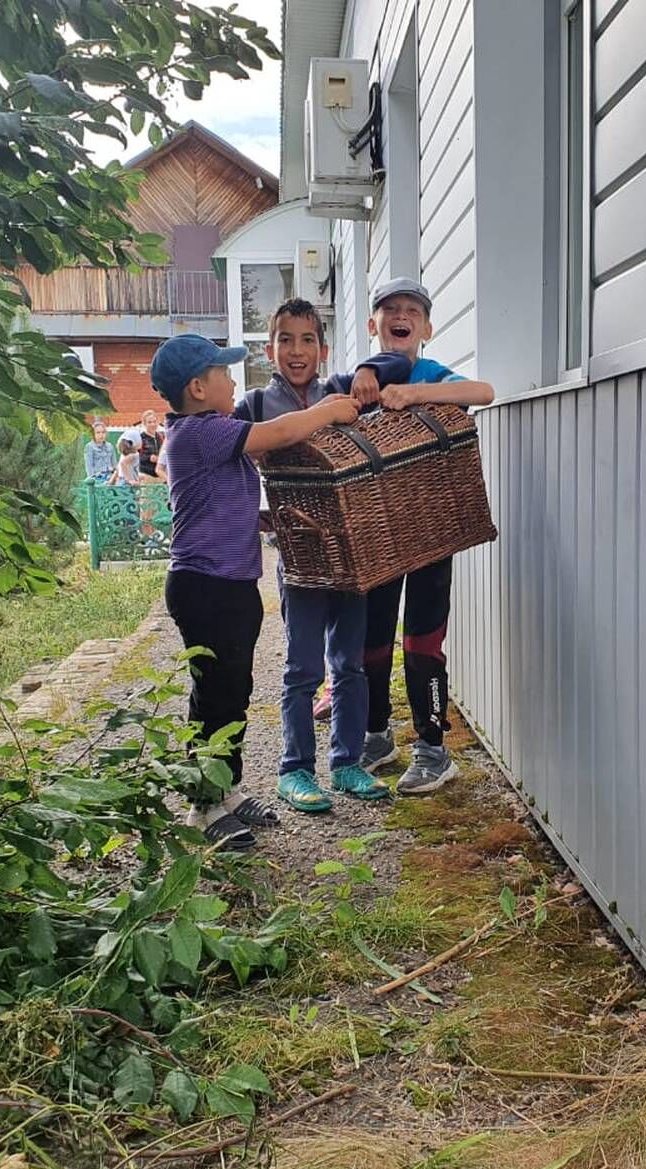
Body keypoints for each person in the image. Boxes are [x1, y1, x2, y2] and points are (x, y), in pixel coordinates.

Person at [153, 332, 361, 849]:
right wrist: (330, 409)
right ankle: (203, 807)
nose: (232, 380)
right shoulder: (203, 432)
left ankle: (227, 791)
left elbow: (226, 504)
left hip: (230, 584)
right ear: (199, 388)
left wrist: (270, 518)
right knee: (215, 698)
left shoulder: (207, 432)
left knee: (235, 692)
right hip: (206, 587)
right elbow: (283, 430)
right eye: (224, 373)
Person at [233, 298, 411, 814]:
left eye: (307, 340)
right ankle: (295, 770)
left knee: (350, 665)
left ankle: (348, 762)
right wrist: (257, 515)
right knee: (302, 667)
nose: (296, 350)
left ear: (323, 348)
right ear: (269, 349)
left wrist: (368, 372)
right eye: (285, 340)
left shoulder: (341, 390)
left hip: (352, 556)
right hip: (300, 560)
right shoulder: (254, 406)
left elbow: (399, 365)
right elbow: (229, 457)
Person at [334, 277, 494, 793]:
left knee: (423, 639)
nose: (401, 316)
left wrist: (413, 393)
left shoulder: (427, 372)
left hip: (429, 529)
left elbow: (482, 392)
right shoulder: (356, 383)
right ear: (372, 324)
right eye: (389, 309)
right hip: (375, 533)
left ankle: (432, 747)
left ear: (426, 327)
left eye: (412, 311)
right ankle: (377, 735)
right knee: (372, 641)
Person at [137, 410, 163, 481]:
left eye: (154, 421)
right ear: (144, 423)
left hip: (161, 476)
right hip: (145, 475)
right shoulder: (140, 438)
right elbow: (135, 457)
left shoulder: (161, 437)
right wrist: (149, 458)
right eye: (149, 422)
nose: (152, 424)